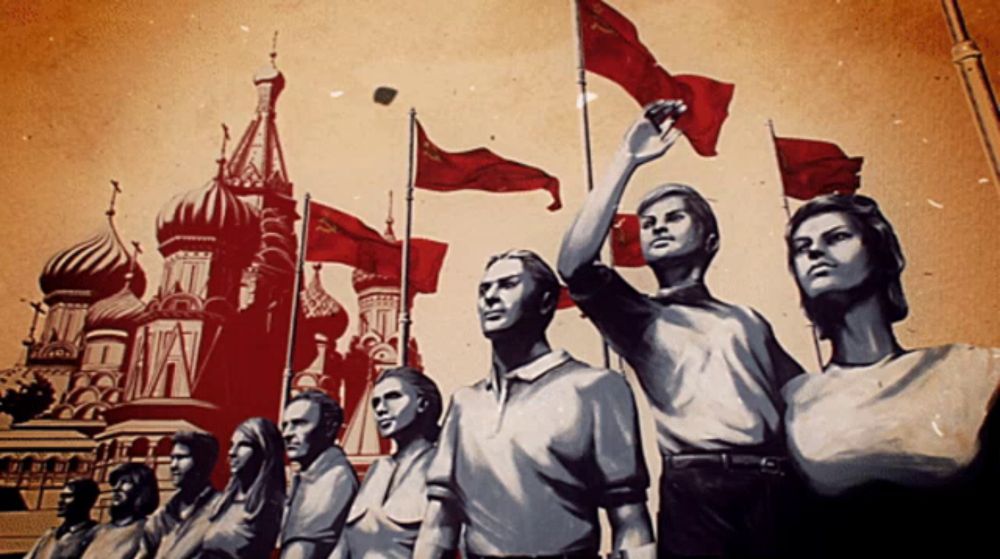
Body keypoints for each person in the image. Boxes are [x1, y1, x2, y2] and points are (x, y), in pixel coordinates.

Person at [558, 101, 804, 557]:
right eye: (648, 224)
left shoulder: (746, 320)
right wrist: (625, 161)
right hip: (697, 488)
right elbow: (573, 264)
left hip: (775, 483)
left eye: (674, 218)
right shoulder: (639, 316)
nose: (658, 228)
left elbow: (802, 397)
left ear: (709, 238)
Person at [781, 193, 1000, 556]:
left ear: (883, 255)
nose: (814, 253)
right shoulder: (796, 398)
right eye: (802, 248)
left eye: (836, 237)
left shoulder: (973, 369)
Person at [415, 250, 655, 559]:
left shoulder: (596, 388)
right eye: (484, 289)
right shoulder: (464, 404)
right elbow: (439, 523)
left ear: (545, 302)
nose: (490, 298)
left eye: (507, 285)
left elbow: (630, 518)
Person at [332, 367, 443, 559]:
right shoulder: (377, 469)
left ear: (422, 403)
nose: (381, 409)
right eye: (375, 403)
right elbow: (344, 543)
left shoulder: (441, 465)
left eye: (393, 397)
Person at [159, 417, 286, 558]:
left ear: (264, 450)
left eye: (243, 444)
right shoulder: (221, 504)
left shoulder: (273, 508)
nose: (232, 452)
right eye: (232, 445)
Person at [280, 390, 359, 558]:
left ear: (329, 428)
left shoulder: (335, 478)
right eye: (285, 425)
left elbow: (301, 551)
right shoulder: (307, 476)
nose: (287, 434)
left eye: (299, 423)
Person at [139, 430, 220, 558]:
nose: (173, 465)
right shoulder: (160, 517)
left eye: (181, 458)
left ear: (202, 462)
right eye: (172, 458)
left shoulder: (223, 510)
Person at [81, 463, 159, 559]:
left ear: (141, 489)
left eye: (125, 482)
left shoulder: (148, 532)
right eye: (115, 483)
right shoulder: (96, 531)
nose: (116, 488)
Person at [25, 478, 100, 559]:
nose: (60, 501)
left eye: (67, 497)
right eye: (61, 497)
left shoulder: (96, 536)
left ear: (84, 501)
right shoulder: (49, 536)